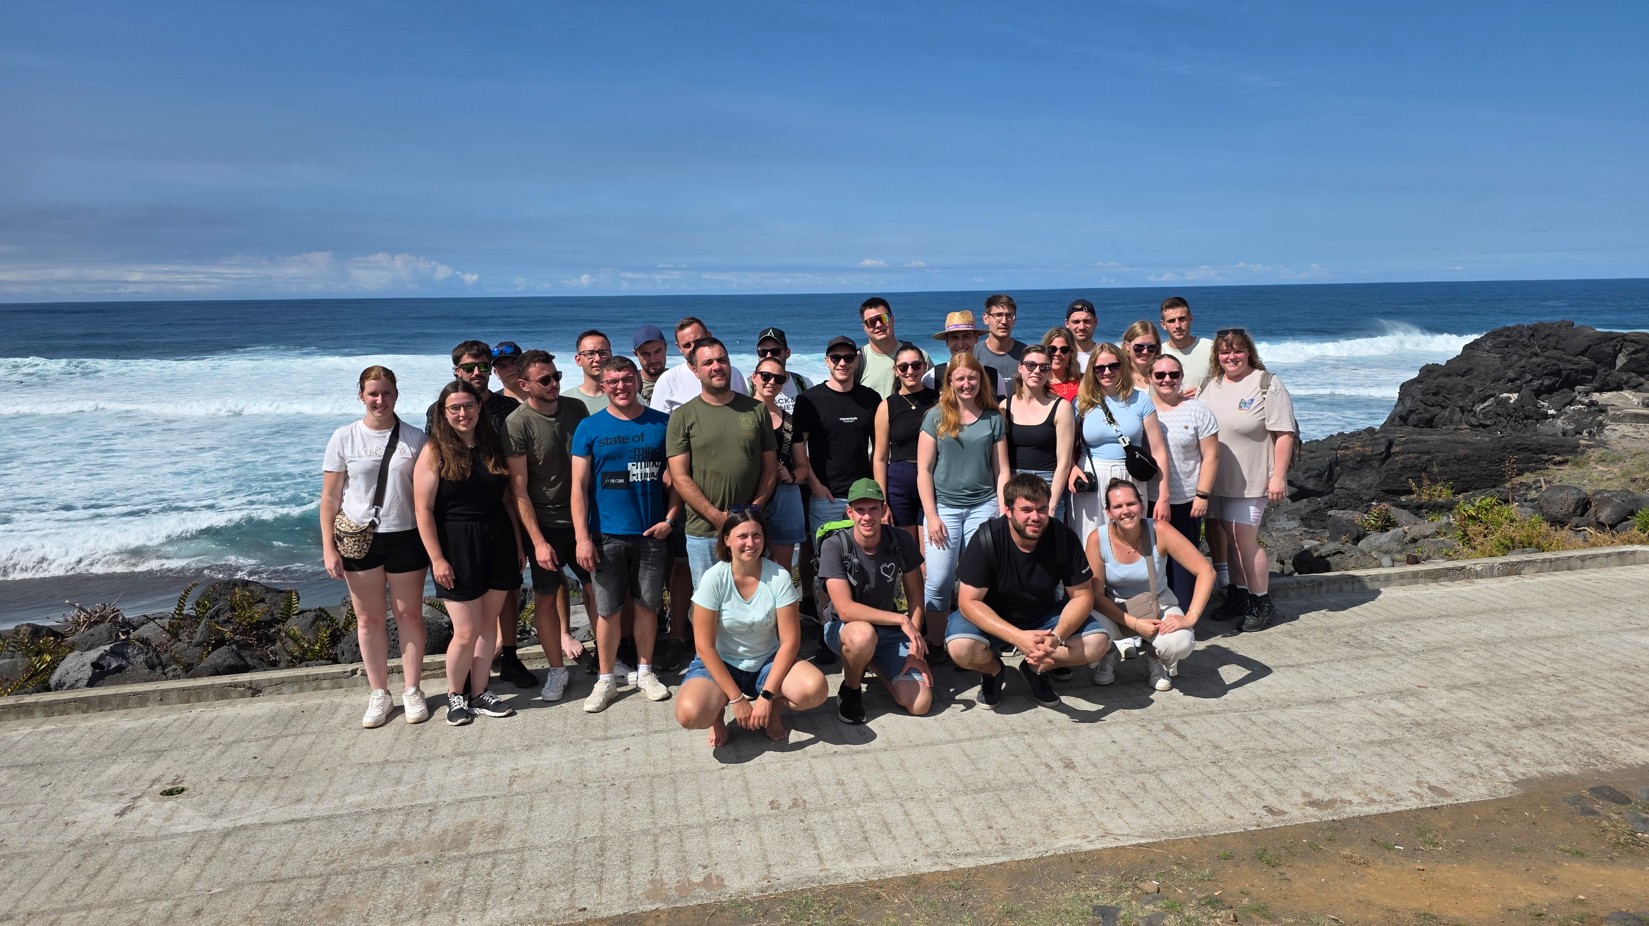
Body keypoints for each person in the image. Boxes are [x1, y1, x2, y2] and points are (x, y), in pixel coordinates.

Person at [320, 365, 431, 728]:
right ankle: (379, 693)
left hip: (406, 536)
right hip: (357, 539)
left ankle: (412, 690)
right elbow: (330, 498)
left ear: (396, 395)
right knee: (368, 620)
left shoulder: (416, 439)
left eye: (386, 393)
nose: (379, 400)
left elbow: (426, 497)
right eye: (373, 394)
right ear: (361, 396)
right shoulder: (344, 437)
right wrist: (328, 548)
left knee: (409, 616)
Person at [570, 356, 677, 712]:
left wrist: (671, 518)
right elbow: (578, 487)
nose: (620, 386)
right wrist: (582, 538)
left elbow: (679, 478)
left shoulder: (662, 424)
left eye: (626, 379)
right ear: (603, 387)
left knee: (648, 606)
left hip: (651, 533)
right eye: (613, 381)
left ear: (637, 381)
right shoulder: (589, 427)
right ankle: (605, 680)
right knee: (608, 610)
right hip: (605, 535)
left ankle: (645, 672)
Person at [414, 380, 523, 726]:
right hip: (456, 544)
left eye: (469, 406)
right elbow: (423, 510)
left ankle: (480, 692)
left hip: (499, 540)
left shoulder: (492, 445)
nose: (463, 413)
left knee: (488, 624)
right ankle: (455, 696)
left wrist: (518, 545)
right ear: (444, 414)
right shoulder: (435, 451)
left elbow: (507, 500)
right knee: (465, 631)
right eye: (455, 408)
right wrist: (437, 559)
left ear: (480, 408)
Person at [946, 473, 1105, 708]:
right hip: (994, 616)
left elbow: (1082, 596)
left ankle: (1035, 667)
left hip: (1044, 615)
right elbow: (968, 602)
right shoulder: (987, 538)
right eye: (1027, 510)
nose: (1036, 517)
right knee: (960, 648)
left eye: (1042, 509)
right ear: (1009, 511)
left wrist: (1056, 637)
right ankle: (993, 672)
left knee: (1098, 644)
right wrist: (1017, 637)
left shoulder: (1063, 537)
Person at [673, 511, 829, 747]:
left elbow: (790, 642)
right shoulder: (713, 579)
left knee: (815, 689)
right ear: (726, 539)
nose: (750, 543)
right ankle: (717, 716)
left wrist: (766, 697)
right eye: (742, 536)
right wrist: (737, 699)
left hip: (766, 660)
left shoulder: (778, 576)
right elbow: (704, 647)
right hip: (722, 662)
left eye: (757, 535)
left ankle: (773, 709)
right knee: (689, 714)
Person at [504, 350, 591, 702]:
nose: (554, 384)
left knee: (595, 589)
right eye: (545, 380)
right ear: (525, 385)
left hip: (583, 519)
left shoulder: (576, 410)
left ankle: (606, 661)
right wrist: (537, 541)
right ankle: (557, 669)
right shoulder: (517, 423)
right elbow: (519, 489)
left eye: (555, 377)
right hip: (546, 523)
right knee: (544, 597)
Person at [1200, 328, 1297, 632]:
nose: (1232, 357)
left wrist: (1278, 476)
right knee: (1229, 542)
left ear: (1249, 353)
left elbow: (1284, 434)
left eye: (1238, 350)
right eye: (1225, 351)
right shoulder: (1210, 385)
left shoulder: (1267, 384)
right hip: (1217, 481)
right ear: (1217, 356)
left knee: (1244, 541)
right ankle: (1239, 595)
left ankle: (1262, 602)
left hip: (1252, 480)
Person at [666, 337, 778, 587]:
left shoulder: (756, 410)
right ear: (694, 370)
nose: (717, 366)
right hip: (703, 532)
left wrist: (753, 512)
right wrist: (719, 518)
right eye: (708, 362)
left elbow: (770, 468)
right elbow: (680, 477)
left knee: (754, 603)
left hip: (752, 530)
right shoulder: (682, 416)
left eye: (722, 360)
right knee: (710, 609)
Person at [818, 479, 931, 723]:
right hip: (844, 629)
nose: (867, 517)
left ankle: (872, 662)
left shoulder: (901, 540)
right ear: (850, 512)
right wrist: (901, 619)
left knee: (920, 703)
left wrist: (915, 642)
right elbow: (846, 610)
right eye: (860, 510)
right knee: (862, 635)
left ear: (883, 510)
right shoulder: (834, 545)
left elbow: (915, 594)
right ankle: (851, 690)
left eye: (873, 509)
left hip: (887, 630)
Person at [1085, 479, 1214, 691]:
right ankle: (1109, 652)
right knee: (1087, 636)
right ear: (1108, 512)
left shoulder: (1159, 530)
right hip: (1114, 607)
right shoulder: (1097, 539)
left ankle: (1156, 657)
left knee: (1180, 642)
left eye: (1131, 504)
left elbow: (1206, 571)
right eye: (1117, 506)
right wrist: (1134, 624)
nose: (1126, 511)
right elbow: (1096, 596)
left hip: (1158, 602)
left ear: (1142, 505)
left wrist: (1191, 617)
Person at [917, 352, 1008, 648]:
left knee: (977, 580)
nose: (966, 383)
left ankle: (972, 639)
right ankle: (934, 642)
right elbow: (924, 470)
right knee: (939, 580)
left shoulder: (994, 417)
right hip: (944, 509)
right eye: (960, 378)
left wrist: (1003, 508)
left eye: (972, 377)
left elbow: (1002, 469)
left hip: (984, 506)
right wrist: (931, 516)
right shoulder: (935, 416)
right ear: (950, 381)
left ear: (980, 379)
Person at [1068, 343, 1172, 544]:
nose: (1107, 372)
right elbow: (1067, 446)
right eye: (1100, 368)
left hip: (1130, 476)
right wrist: (1072, 468)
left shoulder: (1141, 399)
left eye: (1113, 366)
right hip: (1093, 476)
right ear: (1092, 371)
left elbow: (1158, 450)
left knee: (1133, 539)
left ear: (1122, 366)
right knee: (1090, 538)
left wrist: (1163, 495)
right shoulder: (1081, 402)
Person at [1145, 355, 1221, 610]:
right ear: (1150, 378)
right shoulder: (1143, 408)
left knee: (1183, 563)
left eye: (1173, 374)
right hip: (1149, 498)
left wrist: (1202, 495)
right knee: (1152, 561)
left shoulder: (1197, 409)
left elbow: (1211, 455)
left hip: (1187, 499)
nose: (1167, 380)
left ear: (1181, 377)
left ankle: (1185, 614)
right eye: (1160, 375)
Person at [795, 336, 881, 540]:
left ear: (857, 360)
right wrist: (814, 484)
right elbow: (799, 448)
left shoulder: (871, 399)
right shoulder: (809, 400)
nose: (842, 363)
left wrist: (876, 489)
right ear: (827, 361)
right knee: (826, 561)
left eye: (848, 358)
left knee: (865, 559)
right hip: (826, 497)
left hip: (863, 496)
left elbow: (880, 449)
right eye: (836, 358)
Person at [872, 342, 938, 550]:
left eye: (916, 365)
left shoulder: (939, 400)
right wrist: (882, 502)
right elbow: (880, 458)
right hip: (899, 486)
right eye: (903, 367)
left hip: (934, 482)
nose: (910, 371)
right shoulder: (887, 406)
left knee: (932, 551)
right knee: (908, 556)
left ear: (924, 366)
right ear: (895, 371)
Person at [750, 354, 811, 575]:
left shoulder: (789, 420)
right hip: (750, 492)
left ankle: (780, 610)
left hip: (785, 495)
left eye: (779, 378)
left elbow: (803, 465)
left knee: (781, 570)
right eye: (766, 376)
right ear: (754, 377)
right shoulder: (740, 414)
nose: (771, 382)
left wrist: (792, 476)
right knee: (749, 563)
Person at [1003, 345, 1075, 524]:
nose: (1037, 371)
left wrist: (1051, 504)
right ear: (1020, 368)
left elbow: (1064, 462)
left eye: (1044, 367)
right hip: (1014, 481)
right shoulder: (1005, 407)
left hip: (1049, 482)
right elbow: (1001, 462)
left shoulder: (1061, 407)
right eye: (1031, 365)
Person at [650, 317, 749, 414]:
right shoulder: (668, 381)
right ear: (679, 347)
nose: (694, 348)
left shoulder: (733, 374)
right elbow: (658, 426)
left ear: (709, 336)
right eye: (687, 345)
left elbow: (746, 412)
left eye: (698, 341)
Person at [425, 339, 519, 434]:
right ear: (458, 371)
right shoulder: (438, 410)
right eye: (469, 367)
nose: (477, 372)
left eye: (483, 366)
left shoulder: (510, 407)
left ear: (490, 370)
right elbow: (432, 446)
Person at [854, 297, 930, 398]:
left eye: (883, 318)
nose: (878, 325)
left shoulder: (919, 357)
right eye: (871, 322)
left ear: (892, 319)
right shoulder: (855, 361)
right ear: (865, 328)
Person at [923, 311, 1002, 396]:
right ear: (947, 341)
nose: (960, 343)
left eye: (966, 337)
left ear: (976, 338)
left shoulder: (994, 376)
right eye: (954, 338)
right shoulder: (933, 376)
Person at [1159, 296, 1215, 397]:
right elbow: (1150, 389)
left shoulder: (1210, 348)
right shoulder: (1158, 353)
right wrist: (1174, 397)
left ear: (1190, 319)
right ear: (1163, 325)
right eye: (1171, 321)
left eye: (1182, 319)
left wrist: (1205, 393)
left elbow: (1225, 381)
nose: (1178, 325)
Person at [974, 293, 1025, 399]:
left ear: (1014, 319)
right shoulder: (973, 354)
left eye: (1009, 315)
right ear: (986, 318)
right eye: (998, 315)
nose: (1004, 321)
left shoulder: (1026, 354)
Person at [753, 327, 811, 413]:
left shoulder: (803, 383)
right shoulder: (748, 385)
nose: (768, 356)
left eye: (775, 351)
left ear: (787, 353)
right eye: (763, 352)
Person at [568, 329, 612, 414]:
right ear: (578, 360)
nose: (598, 359)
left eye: (603, 353)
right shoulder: (565, 400)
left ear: (611, 356)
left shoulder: (626, 397)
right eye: (590, 354)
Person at [1042, 326, 1082, 402]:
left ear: (1071, 353)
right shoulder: (1037, 382)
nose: (1057, 354)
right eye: (1052, 349)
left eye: (1064, 349)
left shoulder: (1082, 384)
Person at [632, 324, 669, 404]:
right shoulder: (630, 387)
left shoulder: (678, 381)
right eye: (646, 354)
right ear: (635, 354)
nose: (653, 360)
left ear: (666, 348)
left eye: (657, 352)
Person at [1066, 299, 1099, 370]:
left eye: (1086, 321)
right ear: (1067, 324)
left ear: (1095, 322)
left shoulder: (1105, 355)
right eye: (1076, 322)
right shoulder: (1060, 356)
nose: (1082, 327)